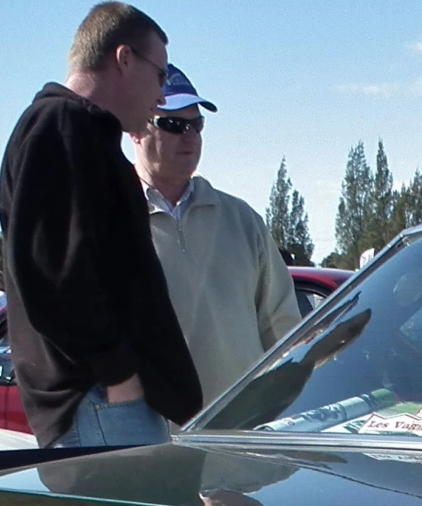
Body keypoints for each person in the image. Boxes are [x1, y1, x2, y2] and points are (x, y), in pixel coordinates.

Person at [0, 0, 200, 447]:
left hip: (106, 399)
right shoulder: (60, 126)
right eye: (161, 75)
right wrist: (118, 375)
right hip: (99, 401)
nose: (162, 95)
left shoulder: (78, 132)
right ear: (124, 59)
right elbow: (52, 273)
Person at [127, 64, 297, 396]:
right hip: (151, 436)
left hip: (240, 429)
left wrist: (286, 396)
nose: (189, 136)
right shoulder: (108, 219)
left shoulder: (242, 220)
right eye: (174, 124)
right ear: (136, 130)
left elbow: (282, 326)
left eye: (196, 124)